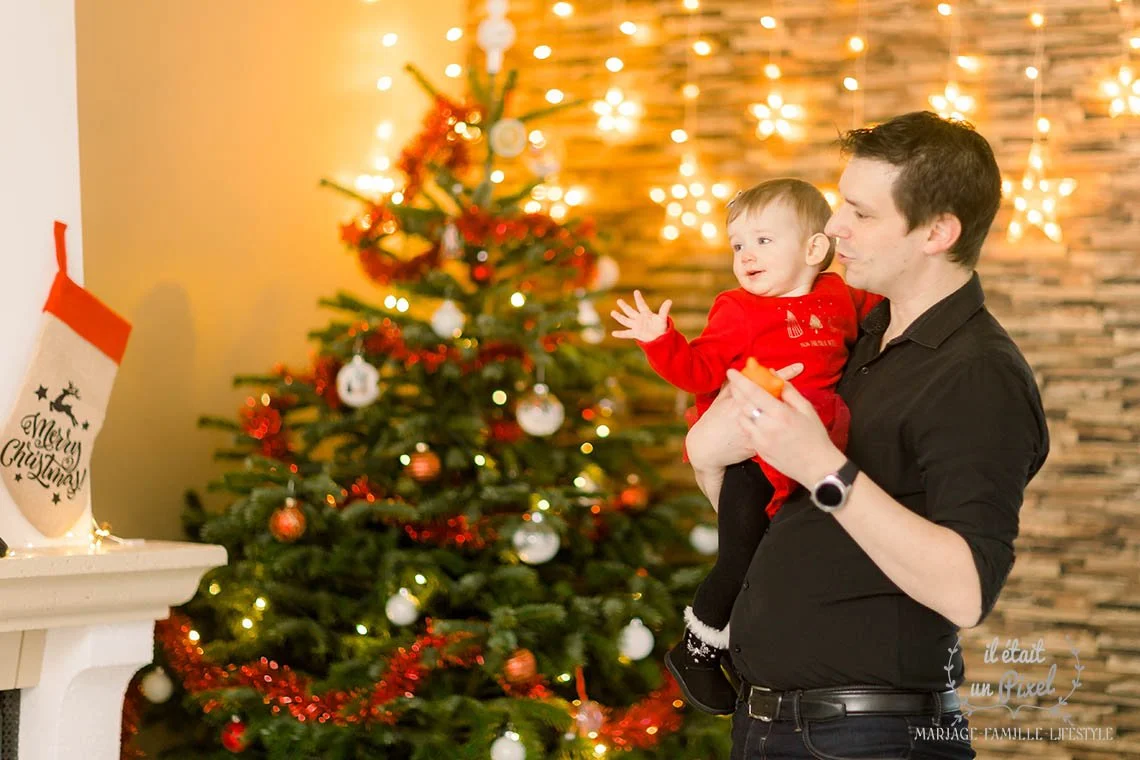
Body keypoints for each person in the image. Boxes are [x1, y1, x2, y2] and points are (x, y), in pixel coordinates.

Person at [709, 112, 1049, 759]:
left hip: (871, 738)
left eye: (860, 214)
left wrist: (825, 469)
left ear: (938, 232)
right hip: (770, 723)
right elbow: (797, 529)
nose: (834, 226)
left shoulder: (979, 373)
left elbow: (966, 588)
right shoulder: (855, 337)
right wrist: (714, 451)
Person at [609, 178, 880, 715]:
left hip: (811, 456)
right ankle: (695, 652)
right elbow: (697, 368)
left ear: (813, 249)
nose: (746, 255)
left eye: (762, 241)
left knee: (780, 563)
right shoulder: (736, 309)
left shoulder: (839, 296)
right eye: (737, 245)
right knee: (739, 556)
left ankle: (741, 644)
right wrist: (659, 338)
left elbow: (887, 302)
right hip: (752, 459)